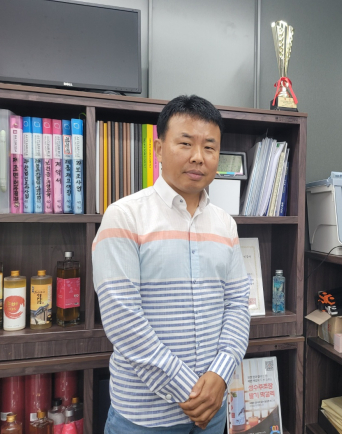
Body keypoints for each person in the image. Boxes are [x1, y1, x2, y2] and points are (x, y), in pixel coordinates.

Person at [92, 95, 251, 433]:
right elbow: (122, 319)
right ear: (159, 149)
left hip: (213, 413)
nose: (198, 157)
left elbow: (238, 304)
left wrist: (221, 374)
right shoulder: (124, 216)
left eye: (209, 147)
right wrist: (191, 392)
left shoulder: (225, 224)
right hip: (144, 419)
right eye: (185, 143)